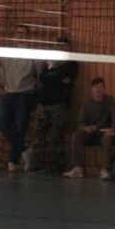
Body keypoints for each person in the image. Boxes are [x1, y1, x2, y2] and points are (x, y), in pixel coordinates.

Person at [27, 35, 78, 175]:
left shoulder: (72, 64)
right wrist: (55, 75)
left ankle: (55, 167)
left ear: (68, 48)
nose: (61, 48)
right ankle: (38, 164)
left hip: (59, 104)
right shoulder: (48, 62)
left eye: (64, 46)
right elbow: (43, 78)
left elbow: (59, 76)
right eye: (58, 46)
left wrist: (52, 72)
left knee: (56, 136)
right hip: (44, 102)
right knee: (38, 134)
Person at [0, 24, 42, 172]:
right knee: (2, 123)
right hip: (9, 93)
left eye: (23, 33)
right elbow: (2, 72)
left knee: (20, 127)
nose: (20, 36)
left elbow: (40, 75)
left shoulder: (34, 55)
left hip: (25, 94)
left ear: (28, 37)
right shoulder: (7, 54)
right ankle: (25, 151)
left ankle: (13, 160)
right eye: (18, 33)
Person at [63, 77, 115, 180]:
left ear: (104, 88)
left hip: (103, 133)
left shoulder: (109, 101)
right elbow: (80, 122)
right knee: (76, 136)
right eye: (96, 87)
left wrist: (113, 130)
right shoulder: (87, 104)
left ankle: (105, 169)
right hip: (90, 134)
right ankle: (77, 168)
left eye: (101, 87)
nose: (98, 89)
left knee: (107, 138)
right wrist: (85, 128)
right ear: (92, 89)